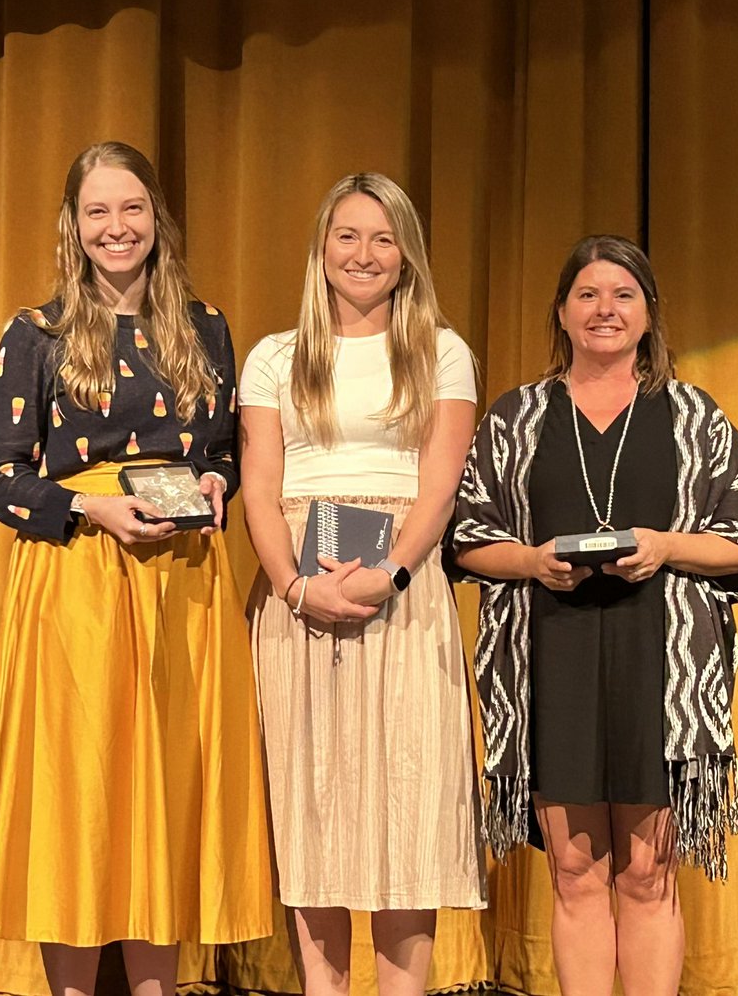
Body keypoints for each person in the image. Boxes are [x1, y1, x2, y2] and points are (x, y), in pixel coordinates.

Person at [0, 141, 271, 996]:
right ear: (74, 226)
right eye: (98, 212)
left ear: (156, 220)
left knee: (164, 794)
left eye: (131, 210)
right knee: (83, 796)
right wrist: (91, 507)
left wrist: (215, 480)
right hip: (82, 586)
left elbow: (228, 453)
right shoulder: (38, 334)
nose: (116, 228)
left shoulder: (206, 329)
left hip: (184, 585)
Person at [452, 234, 738, 995]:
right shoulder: (518, 417)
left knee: (646, 871)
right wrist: (532, 561)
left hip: (658, 664)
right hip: (551, 656)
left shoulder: (692, 416)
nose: (605, 309)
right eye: (588, 295)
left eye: (623, 295)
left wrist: (666, 545)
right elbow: (468, 541)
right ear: (562, 312)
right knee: (573, 869)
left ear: (649, 312)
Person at [239, 173, 486, 996]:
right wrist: (294, 587)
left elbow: (438, 486)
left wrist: (389, 572)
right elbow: (260, 484)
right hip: (298, 595)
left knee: (406, 798)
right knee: (315, 800)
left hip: (404, 592)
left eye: (384, 239)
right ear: (321, 248)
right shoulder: (275, 356)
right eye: (348, 235)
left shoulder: (442, 351)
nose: (365, 254)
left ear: (406, 255)